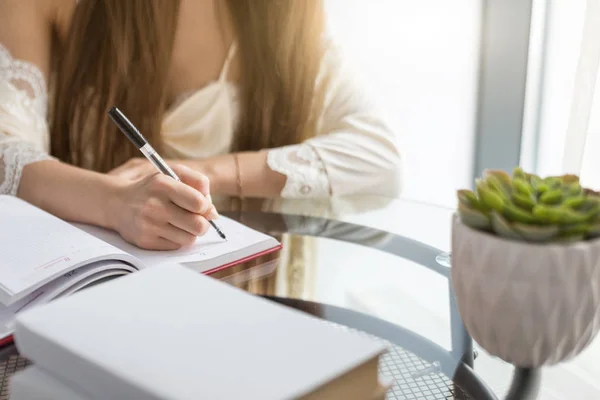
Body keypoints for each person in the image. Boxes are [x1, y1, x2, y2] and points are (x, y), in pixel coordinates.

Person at [0, 0, 402, 250]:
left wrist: (210, 174)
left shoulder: (288, 13)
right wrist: (113, 202)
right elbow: (8, 152)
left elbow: (380, 157)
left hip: (250, 300)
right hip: (96, 298)